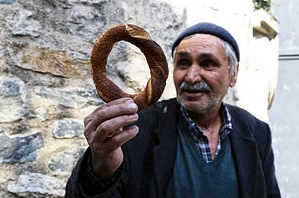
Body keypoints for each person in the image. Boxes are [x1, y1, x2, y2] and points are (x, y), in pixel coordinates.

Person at [65, 22, 281, 198]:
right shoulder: (135, 129)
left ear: (233, 75)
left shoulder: (256, 131)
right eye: (183, 63)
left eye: (208, 64)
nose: (191, 76)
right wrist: (101, 168)